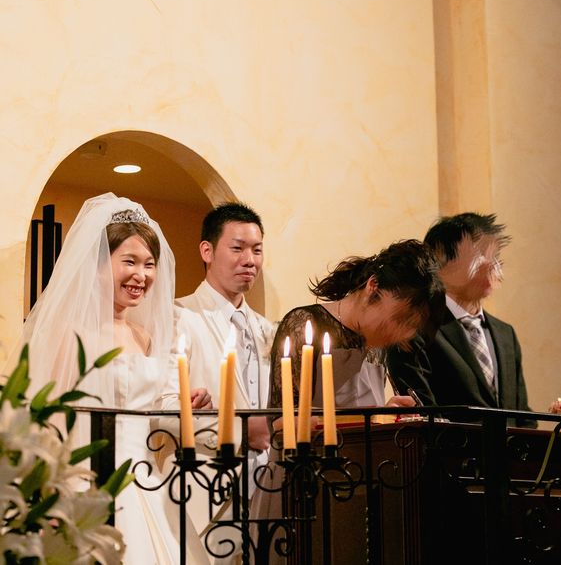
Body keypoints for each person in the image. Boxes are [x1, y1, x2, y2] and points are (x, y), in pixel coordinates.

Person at [16, 192, 210, 564]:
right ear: (98, 264)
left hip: (146, 481)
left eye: (149, 264)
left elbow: (151, 413)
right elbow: (47, 420)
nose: (142, 275)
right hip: (87, 483)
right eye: (129, 261)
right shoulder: (69, 334)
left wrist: (184, 405)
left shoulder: (145, 337)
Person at [249, 240, 445, 563]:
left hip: (361, 487)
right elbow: (282, 423)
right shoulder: (304, 325)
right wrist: (363, 419)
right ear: (373, 287)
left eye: (411, 327)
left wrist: (386, 416)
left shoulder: (378, 345)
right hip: (302, 486)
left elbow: (362, 410)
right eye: (401, 318)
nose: (403, 334)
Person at [170, 201, 275, 564]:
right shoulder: (179, 316)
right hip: (205, 490)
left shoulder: (267, 329)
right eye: (238, 248)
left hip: (268, 487)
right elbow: (163, 407)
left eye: (257, 250)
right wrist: (242, 431)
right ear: (207, 251)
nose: (250, 260)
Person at [386, 212, 537, 428]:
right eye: (479, 254)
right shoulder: (412, 330)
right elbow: (423, 418)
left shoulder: (505, 333)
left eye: (494, 255)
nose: (492, 264)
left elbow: (523, 418)